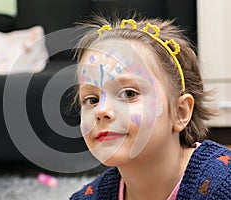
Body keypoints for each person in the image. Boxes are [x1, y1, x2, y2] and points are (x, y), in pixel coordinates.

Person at [70, 16, 231, 200]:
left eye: (129, 94)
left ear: (180, 112)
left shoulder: (223, 184)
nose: (101, 111)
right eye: (91, 100)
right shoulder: (88, 197)